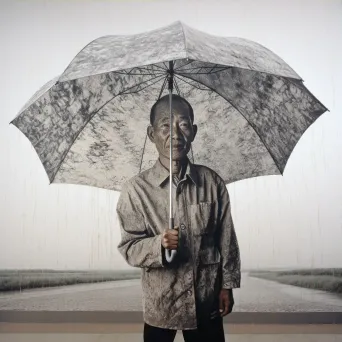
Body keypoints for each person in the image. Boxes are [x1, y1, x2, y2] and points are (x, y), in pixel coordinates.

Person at [117, 94, 241, 342]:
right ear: (152, 134)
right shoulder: (135, 190)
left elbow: (226, 238)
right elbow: (129, 247)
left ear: (193, 132)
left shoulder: (211, 182)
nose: (175, 133)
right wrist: (158, 244)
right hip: (161, 302)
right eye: (165, 125)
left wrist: (227, 285)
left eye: (183, 124)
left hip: (207, 299)